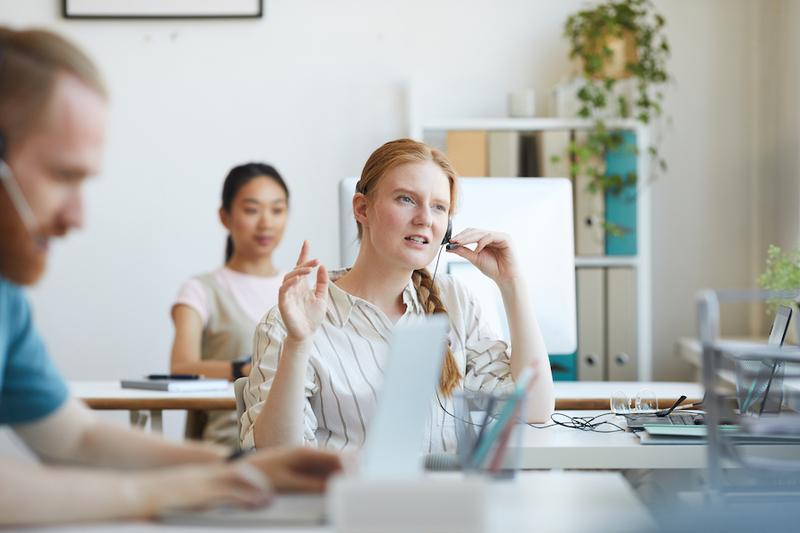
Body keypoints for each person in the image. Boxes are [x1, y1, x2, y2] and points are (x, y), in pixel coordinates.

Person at [0, 28, 340, 526]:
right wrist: (176, 489)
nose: (77, 218)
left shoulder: (9, 297)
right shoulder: (202, 289)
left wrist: (249, 466)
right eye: (62, 177)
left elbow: (75, 438)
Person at [241, 138, 555, 452]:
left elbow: (535, 408)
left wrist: (511, 284)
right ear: (362, 209)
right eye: (406, 199)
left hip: (445, 498)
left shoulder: (456, 300)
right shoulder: (291, 320)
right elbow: (276, 456)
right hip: (347, 499)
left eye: (438, 207)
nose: (425, 219)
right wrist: (298, 343)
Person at [170, 163, 288, 447]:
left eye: (277, 209)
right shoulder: (201, 289)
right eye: (251, 210)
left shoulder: (301, 288)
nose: (266, 223)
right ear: (225, 217)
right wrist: (243, 370)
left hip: (293, 441)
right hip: (226, 444)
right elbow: (180, 367)